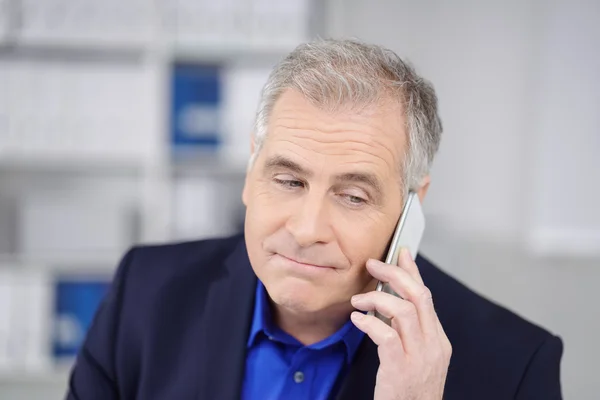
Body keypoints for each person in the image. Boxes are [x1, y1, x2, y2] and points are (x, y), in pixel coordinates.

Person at [66, 39, 563, 400]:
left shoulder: (514, 366)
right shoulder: (145, 292)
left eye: (351, 196)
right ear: (250, 170)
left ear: (413, 207)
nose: (306, 231)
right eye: (289, 182)